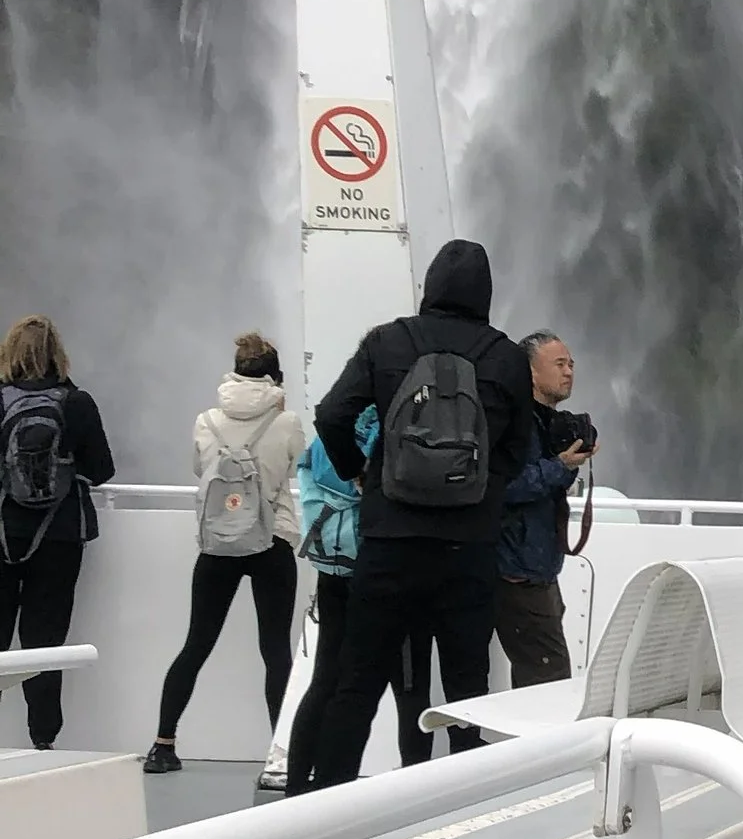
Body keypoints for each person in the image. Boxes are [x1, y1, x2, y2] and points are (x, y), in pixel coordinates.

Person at [302, 239, 536, 788]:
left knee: (356, 683)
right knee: (467, 688)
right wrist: (482, 489)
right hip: (468, 548)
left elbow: (332, 414)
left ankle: (326, 808)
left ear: (428, 286)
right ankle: (460, 809)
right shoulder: (505, 357)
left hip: (389, 539)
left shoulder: (388, 341)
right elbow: (519, 452)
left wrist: (362, 472)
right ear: (486, 293)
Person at [142, 332, 308, 775]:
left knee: (196, 644)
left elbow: (201, 468)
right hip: (271, 540)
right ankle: (282, 757)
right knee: (275, 652)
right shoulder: (286, 422)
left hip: (217, 543)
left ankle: (162, 745)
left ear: (235, 372)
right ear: (276, 376)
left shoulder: (206, 420)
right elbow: (296, 465)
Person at [285, 409, 432, 790]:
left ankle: (298, 788)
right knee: (411, 688)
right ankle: (414, 791)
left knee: (326, 681)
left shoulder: (326, 436)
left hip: (334, 567)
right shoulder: (397, 427)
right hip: (388, 568)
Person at [0, 315, 114, 751]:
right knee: (44, 641)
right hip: (61, 534)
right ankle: (43, 741)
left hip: (3, 536)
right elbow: (103, 469)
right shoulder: (76, 402)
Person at [495, 333, 593, 687]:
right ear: (531, 373)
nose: (569, 372)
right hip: (517, 573)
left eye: (571, 364)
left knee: (539, 677)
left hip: (538, 569)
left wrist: (566, 463)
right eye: (559, 364)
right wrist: (560, 466)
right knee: (549, 681)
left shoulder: (543, 423)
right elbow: (503, 486)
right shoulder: (515, 423)